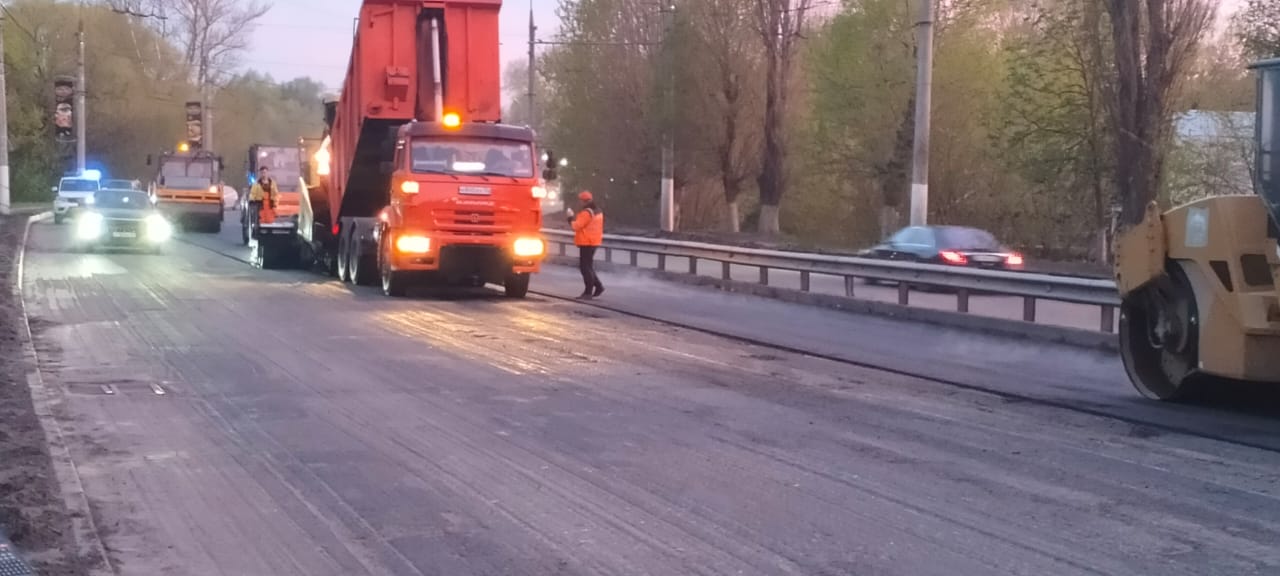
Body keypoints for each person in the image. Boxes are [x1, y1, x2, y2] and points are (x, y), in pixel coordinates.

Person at [567, 190, 605, 299]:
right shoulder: (598, 211)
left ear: (583, 201)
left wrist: (570, 217)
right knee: (588, 266)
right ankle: (598, 286)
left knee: (585, 268)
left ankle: (588, 292)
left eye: (580, 200)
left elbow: (576, 226)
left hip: (586, 241)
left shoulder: (586, 213)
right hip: (594, 241)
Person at [248, 167, 279, 235]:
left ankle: (270, 234)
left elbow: (275, 193)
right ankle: (259, 234)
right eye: (262, 173)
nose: (264, 174)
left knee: (270, 221)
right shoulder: (256, 184)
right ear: (260, 174)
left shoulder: (272, 183)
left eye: (265, 172)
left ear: (267, 173)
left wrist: (275, 203)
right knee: (260, 220)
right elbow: (253, 193)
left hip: (269, 205)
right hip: (260, 204)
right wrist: (252, 200)